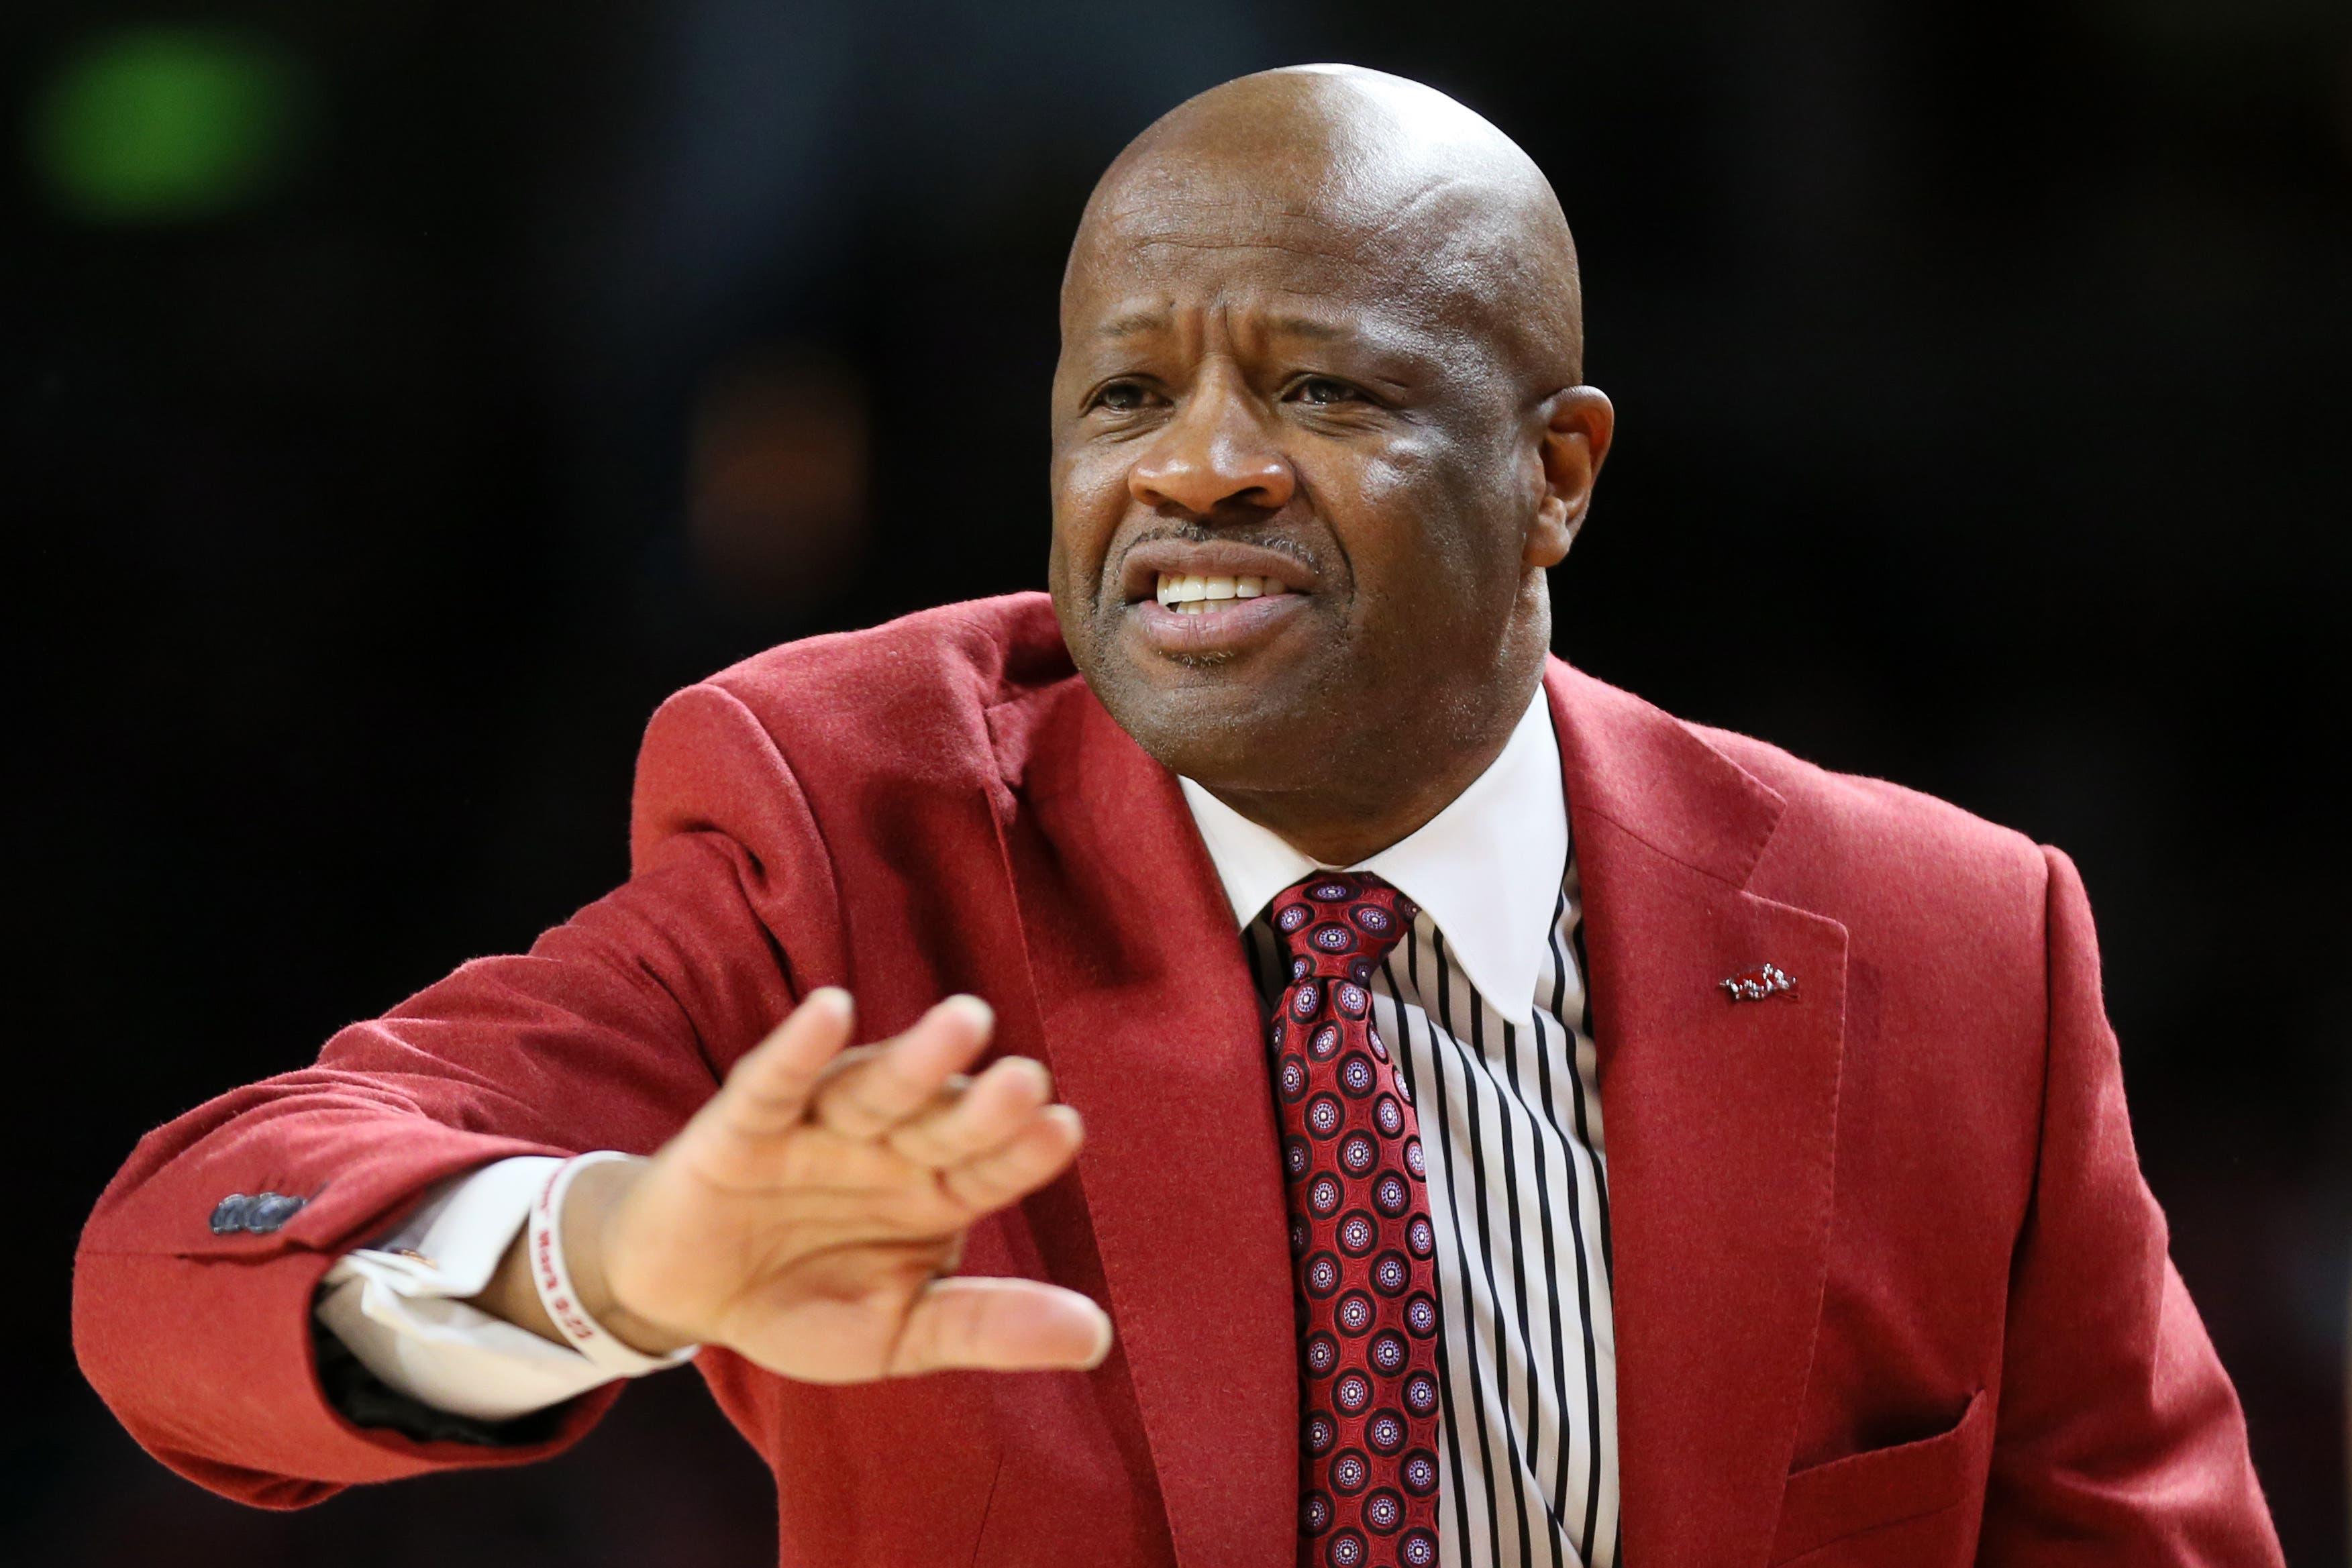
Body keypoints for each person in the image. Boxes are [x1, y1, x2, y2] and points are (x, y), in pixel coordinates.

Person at [74, 64, 2282, 1568]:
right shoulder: (849, 825)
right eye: (1124, 392)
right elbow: (189, 1253)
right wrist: (619, 1255)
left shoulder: (1950, 942)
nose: (1193, 465)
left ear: (1556, 475)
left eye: (1318, 387)